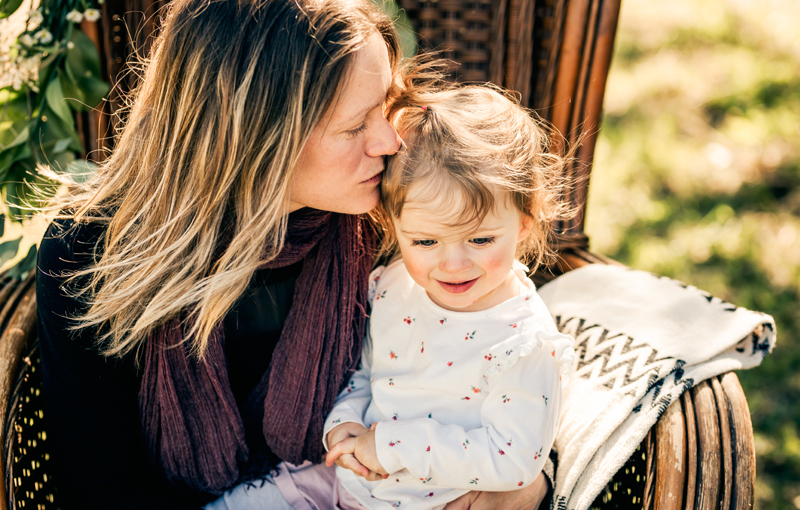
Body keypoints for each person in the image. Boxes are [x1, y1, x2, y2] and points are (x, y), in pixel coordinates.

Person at [34, 0, 559, 507]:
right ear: (256, 138)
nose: (389, 142)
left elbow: (504, 362)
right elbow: (101, 491)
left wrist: (532, 485)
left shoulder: (394, 225)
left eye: (385, 108)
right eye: (356, 126)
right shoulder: (91, 255)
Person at [320, 86, 577, 510]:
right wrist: (344, 423)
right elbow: (368, 372)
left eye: (480, 238)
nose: (453, 264)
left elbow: (513, 460)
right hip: (348, 486)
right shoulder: (395, 286)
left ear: (525, 223)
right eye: (424, 241)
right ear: (392, 223)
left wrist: (393, 446)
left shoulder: (524, 346)